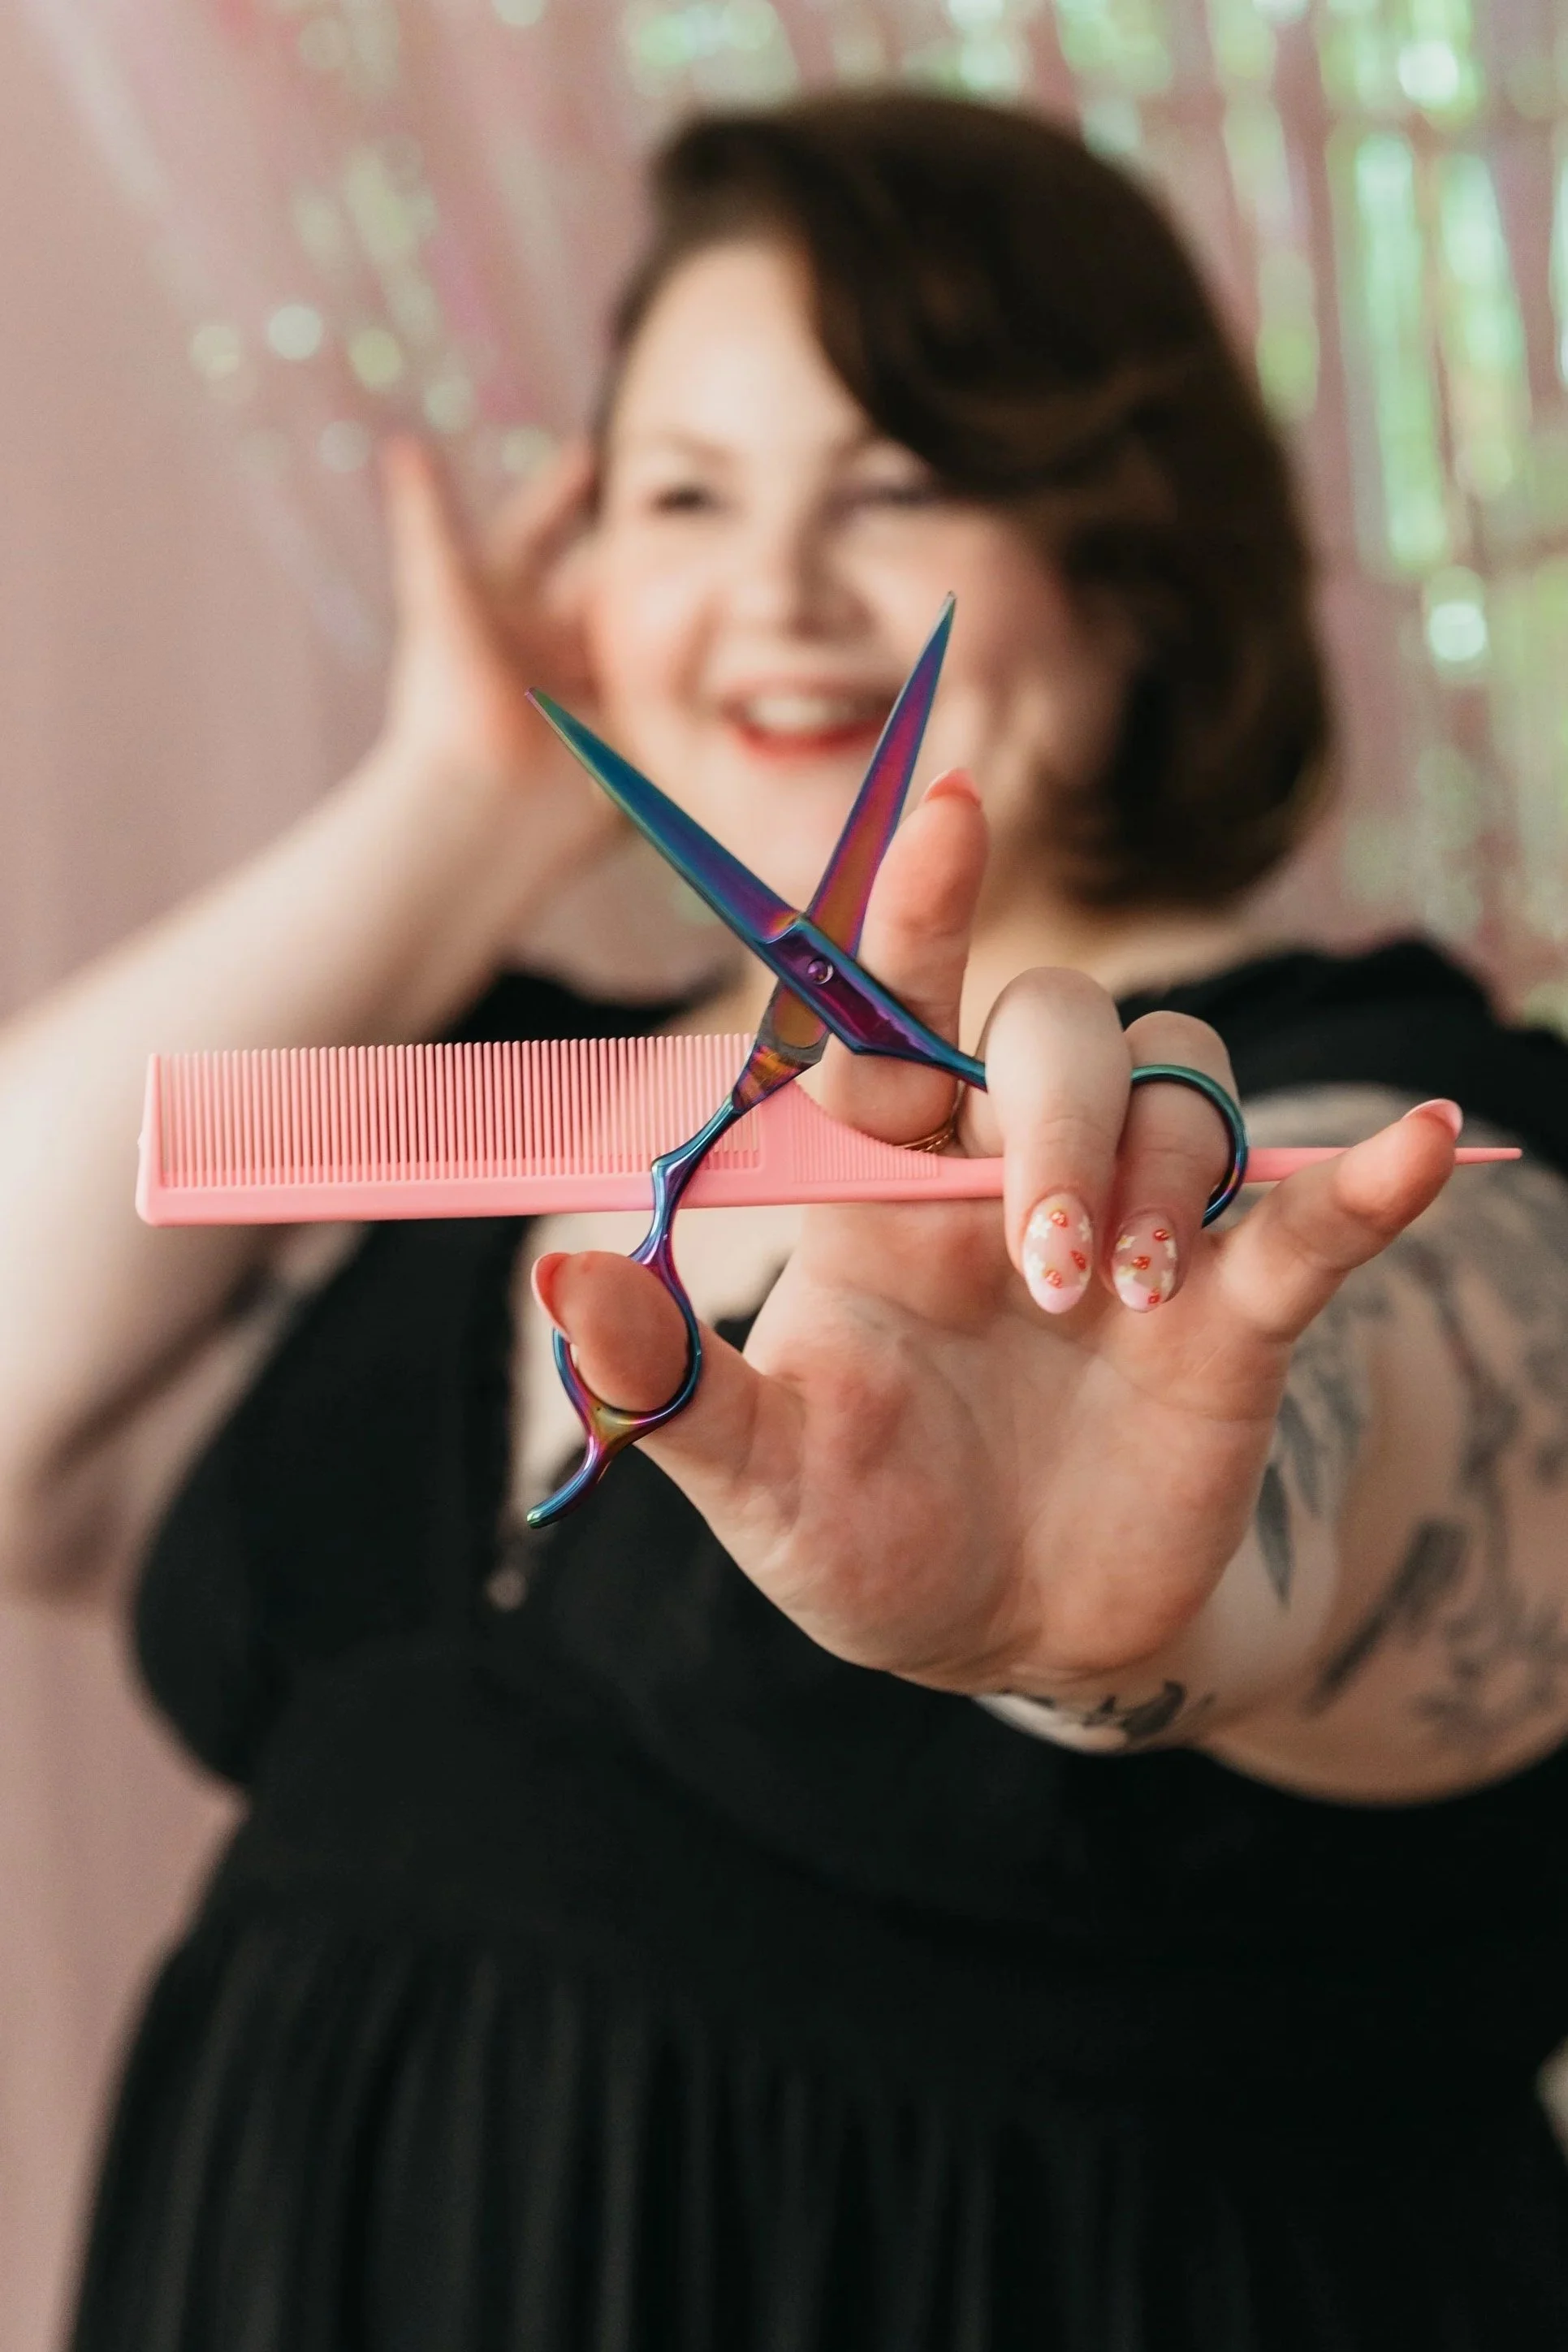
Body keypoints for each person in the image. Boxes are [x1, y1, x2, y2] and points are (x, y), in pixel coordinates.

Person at [3, 89, 1568, 2350]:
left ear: (1134, 556)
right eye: (682, 495)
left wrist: (1140, 1584)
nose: (774, 589)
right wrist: (462, 801)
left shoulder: (1363, 1103)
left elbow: (1398, 1428)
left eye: (899, 481)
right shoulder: (487, 1094)